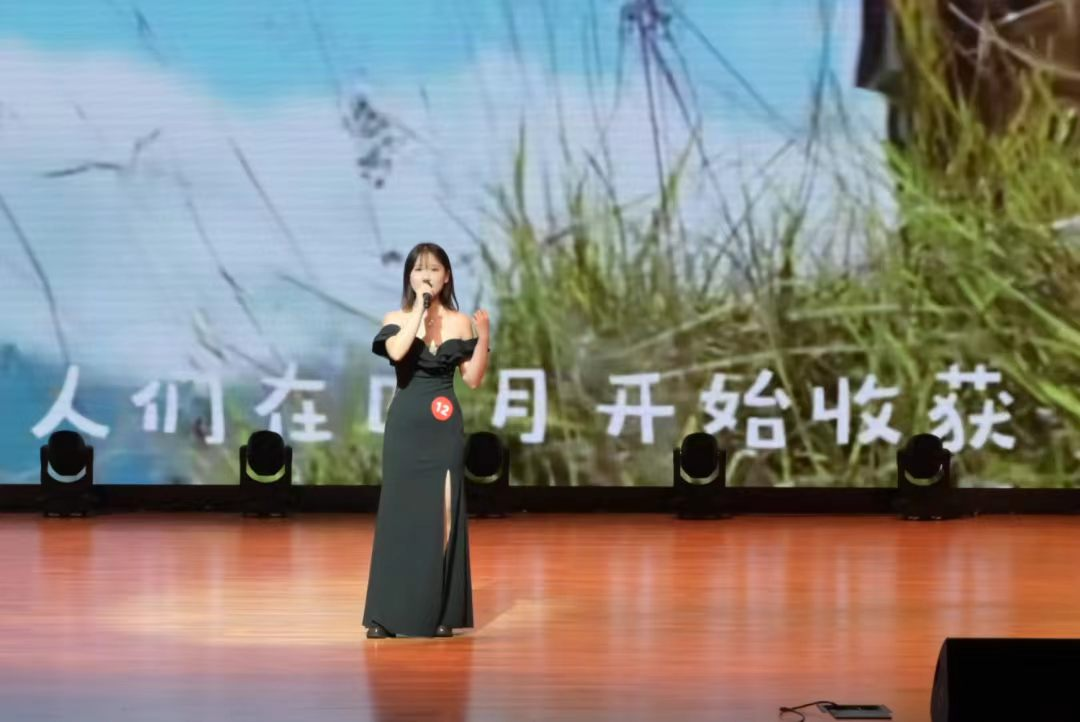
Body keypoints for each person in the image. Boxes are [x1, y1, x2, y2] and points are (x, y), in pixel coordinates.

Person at [363, 243, 490, 639]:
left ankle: (441, 610)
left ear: (446, 276)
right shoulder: (396, 318)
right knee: (400, 514)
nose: (427, 276)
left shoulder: (460, 322)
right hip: (406, 426)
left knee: (445, 512)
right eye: (419, 270)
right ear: (409, 277)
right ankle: (385, 614)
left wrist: (484, 335)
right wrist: (419, 310)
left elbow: (473, 379)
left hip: (444, 427)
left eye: (434, 269)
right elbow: (399, 351)